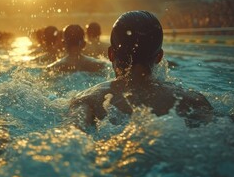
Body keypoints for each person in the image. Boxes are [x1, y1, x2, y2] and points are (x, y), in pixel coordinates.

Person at [69, 11, 213, 129]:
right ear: (159, 57)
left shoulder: (89, 100)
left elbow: (71, 138)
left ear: (111, 54)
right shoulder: (191, 100)